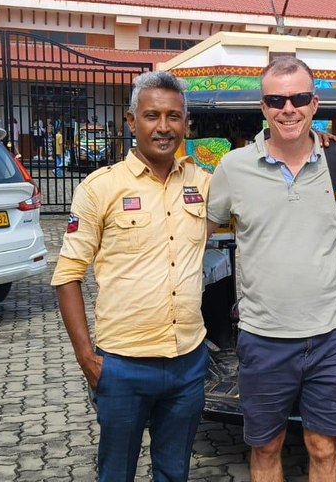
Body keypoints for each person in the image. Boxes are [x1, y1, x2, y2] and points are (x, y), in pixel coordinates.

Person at [206, 56, 336, 481]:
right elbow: (197, 232)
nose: (288, 108)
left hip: (331, 337)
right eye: (276, 100)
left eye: (299, 98)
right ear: (263, 108)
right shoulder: (233, 168)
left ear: (314, 103)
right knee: (265, 446)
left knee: (323, 448)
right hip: (263, 338)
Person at [51, 71, 212, 482]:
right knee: (116, 473)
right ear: (130, 120)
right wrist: (87, 357)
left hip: (187, 363)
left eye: (174, 116)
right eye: (152, 115)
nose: (164, 127)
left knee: (174, 472)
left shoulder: (205, 183)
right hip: (122, 366)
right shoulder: (100, 188)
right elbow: (68, 275)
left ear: (186, 123)